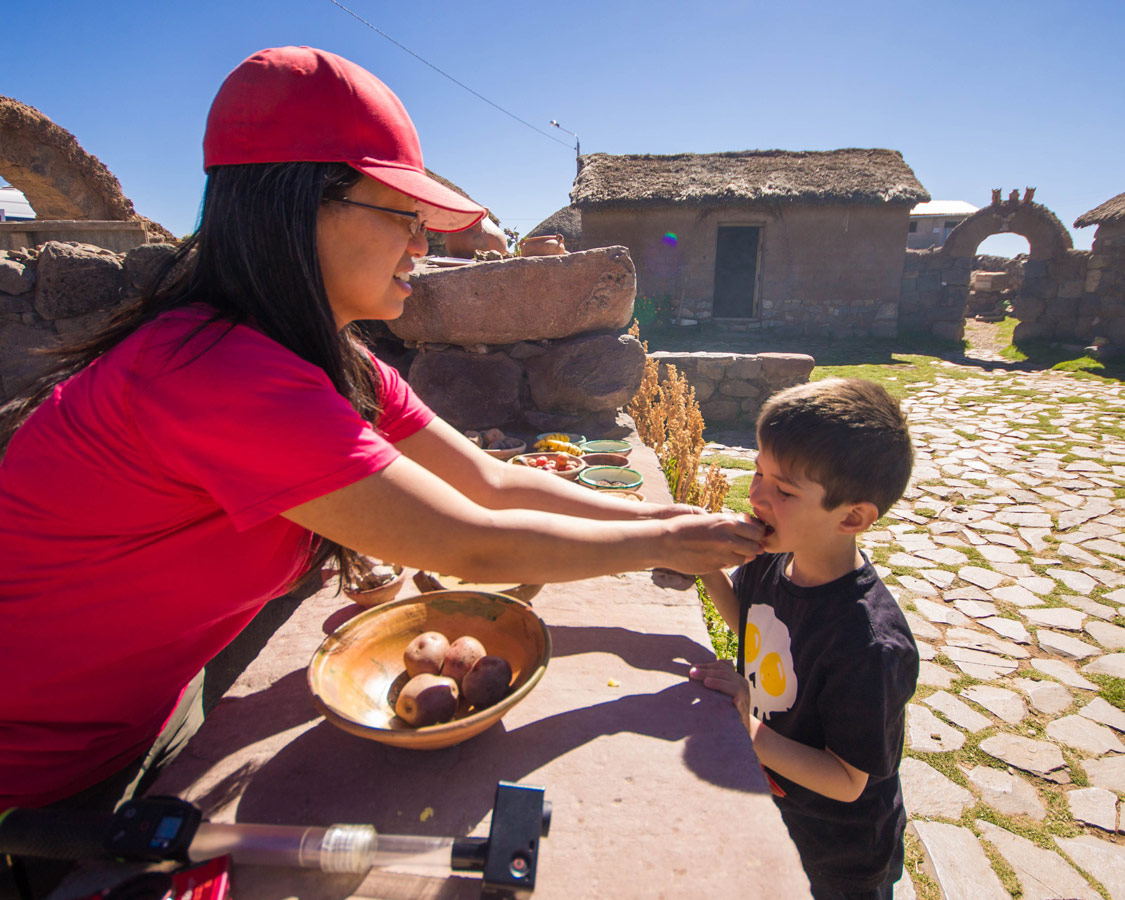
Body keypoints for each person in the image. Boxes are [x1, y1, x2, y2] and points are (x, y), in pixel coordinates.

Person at [0, 46, 766, 813]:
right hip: (39, 773)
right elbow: (468, 543)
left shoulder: (327, 360)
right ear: (296, 208)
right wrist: (666, 547)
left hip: (145, 721)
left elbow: (490, 482)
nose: (424, 246)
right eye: (403, 217)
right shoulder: (217, 373)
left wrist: (659, 517)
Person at [688, 378, 919, 900]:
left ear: (852, 517)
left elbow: (847, 779)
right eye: (758, 473)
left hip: (840, 854)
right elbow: (749, 623)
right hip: (782, 810)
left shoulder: (869, 645)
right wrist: (703, 566)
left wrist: (744, 727)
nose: (755, 495)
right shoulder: (775, 563)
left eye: (784, 490)